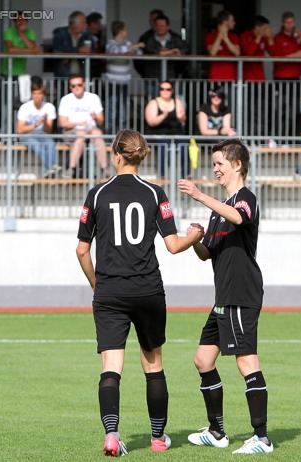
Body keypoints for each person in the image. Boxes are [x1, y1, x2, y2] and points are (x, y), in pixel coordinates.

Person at [76, 129, 205, 457]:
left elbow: (81, 250)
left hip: (109, 292)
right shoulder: (154, 193)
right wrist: (195, 234)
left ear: (117, 155)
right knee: (153, 364)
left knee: (111, 366)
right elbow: (174, 246)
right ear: (140, 156)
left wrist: (96, 285)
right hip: (147, 290)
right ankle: (159, 439)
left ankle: (111, 434)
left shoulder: (96, 194)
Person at [177, 138, 273, 455]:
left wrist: (199, 195)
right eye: (214, 163)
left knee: (246, 362)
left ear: (237, 165)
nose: (215, 168)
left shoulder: (245, 199)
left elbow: (239, 217)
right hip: (223, 296)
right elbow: (208, 254)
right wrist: (194, 239)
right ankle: (217, 432)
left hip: (241, 294)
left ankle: (262, 438)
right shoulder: (219, 210)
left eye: (219, 163)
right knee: (203, 360)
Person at [268, 11, 301, 135]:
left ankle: (294, 136)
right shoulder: (278, 37)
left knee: (296, 109)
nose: (290, 25)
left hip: (296, 78)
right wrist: (295, 56)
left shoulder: (298, 36)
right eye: (287, 22)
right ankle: (279, 137)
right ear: (283, 23)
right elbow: (277, 57)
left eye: (292, 22)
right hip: (280, 78)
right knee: (281, 109)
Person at [58, 74, 106, 179]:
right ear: (70, 87)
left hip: (90, 129)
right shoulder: (65, 100)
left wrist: (95, 117)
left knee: (98, 134)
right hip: (71, 131)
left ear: (84, 85)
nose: (77, 87)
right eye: (73, 85)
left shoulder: (93, 98)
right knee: (81, 134)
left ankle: (104, 169)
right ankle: (71, 168)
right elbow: (63, 123)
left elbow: (101, 121)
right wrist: (78, 123)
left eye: (79, 84)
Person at [105, 20, 144, 133]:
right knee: (112, 109)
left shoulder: (127, 44)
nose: (126, 32)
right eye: (125, 30)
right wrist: (132, 48)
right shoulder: (111, 43)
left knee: (123, 110)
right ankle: (110, 134)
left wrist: (132, 50)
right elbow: (115, 52)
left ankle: (122, 134)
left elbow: (140, 53)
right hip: (112, 82)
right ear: (121, 31)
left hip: (124, 81)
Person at [16, 81, 61, 178]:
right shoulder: (25, 107)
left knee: (50, 143)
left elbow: (48, 131)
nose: (36, 96)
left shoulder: (49, 107)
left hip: (42, 134)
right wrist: (37, 124)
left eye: (39, 93)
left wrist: (44, 122)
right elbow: (20, 130)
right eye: (34, 93)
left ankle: (50, 169)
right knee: (37, 146)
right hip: (27, 135)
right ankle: (51, 167)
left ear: (43, 95)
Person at [144, 80, 188, 178]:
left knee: (184, 142)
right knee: (164, 144)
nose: (165, 91)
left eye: (168, 89)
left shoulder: (177, 101)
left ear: (172, 91)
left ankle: (186, 174)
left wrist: (181, 117)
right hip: (157, 133)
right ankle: (162, 174)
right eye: (162, 89)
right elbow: (151, 121)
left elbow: (183, 118)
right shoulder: (153, 103)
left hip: (174, 133)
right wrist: (163, 115)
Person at [142, 14, 188, 88]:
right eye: (157, 25)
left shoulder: (175, 38)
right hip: (152, 78)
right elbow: (151, 51)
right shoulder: (148, 38)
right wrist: (170, 52)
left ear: (168, 27)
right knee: (152, 99)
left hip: (170, 77)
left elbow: (184, 49)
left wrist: (179, 52)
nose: (160, 28)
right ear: (154, 27)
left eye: (162, 26)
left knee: (169, 99)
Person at [52, 11, 95, 79]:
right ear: (74, 24)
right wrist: (78, 50)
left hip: (81, 77)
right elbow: (57, 49)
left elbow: (92, 51)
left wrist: (68, 54)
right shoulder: (60, 33)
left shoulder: (87, 34)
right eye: (83, 22)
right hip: (64, 76)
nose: (86, 25)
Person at [206, 10, 241, 82]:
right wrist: (220, 36)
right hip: (214, 78)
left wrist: (226, 39)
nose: (234, 23)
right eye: (232, 21)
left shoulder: (234, 37)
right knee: (214, 94)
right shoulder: (210, 36)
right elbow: (212, 53)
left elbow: (237, 53)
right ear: (225, 22)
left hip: (231, 77)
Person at [240, 15, 274, 82]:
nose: (268, 30)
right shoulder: (245, 35)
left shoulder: (264, 39)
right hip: (247, 77)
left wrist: (270, 38)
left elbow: (274, 54)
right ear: (257, 28)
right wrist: (258, 37)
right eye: (265, 28)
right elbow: (249, 52)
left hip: (260, 78)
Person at [135, 9, 165, 78]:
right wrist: (144, 73)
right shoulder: (145, 37)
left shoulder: (173, 37)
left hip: (168, 77)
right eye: (150, 20)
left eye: (154, 20)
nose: (152, 23)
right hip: (150, 77)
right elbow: (138, 58)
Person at [86, 12, 106, 79]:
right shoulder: (85, 37)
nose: (100, 26)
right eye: (98, 23)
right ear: (92, 24)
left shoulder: (97, 36)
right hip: (89, 71)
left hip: (96, 71)